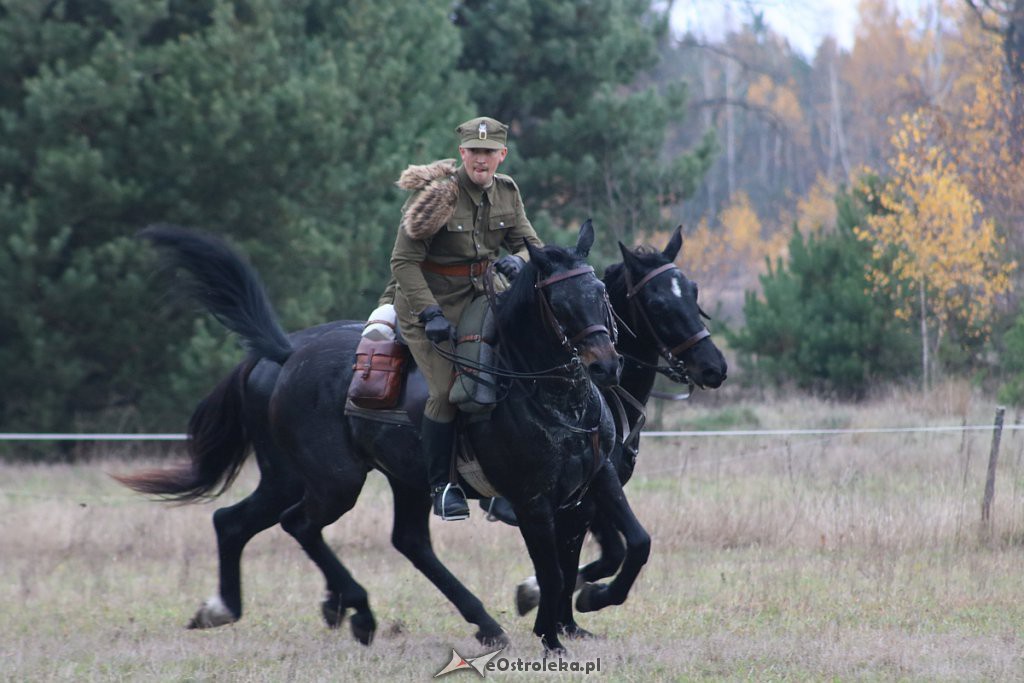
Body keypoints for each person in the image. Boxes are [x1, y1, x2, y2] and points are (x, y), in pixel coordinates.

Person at [389, 116, 542, 520]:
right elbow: (403, 263)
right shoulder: (436, 196)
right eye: (474, 151)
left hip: (484, 297)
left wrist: (518, 260)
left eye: (489, 152)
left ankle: (497, 484)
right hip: (429, 302)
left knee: (512, 377)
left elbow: (533, 247)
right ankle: (442, 488)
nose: (482, 159)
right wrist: (429, 313)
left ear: (501, 155)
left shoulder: (508, 192)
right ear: (462, 154)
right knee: (445, 392)